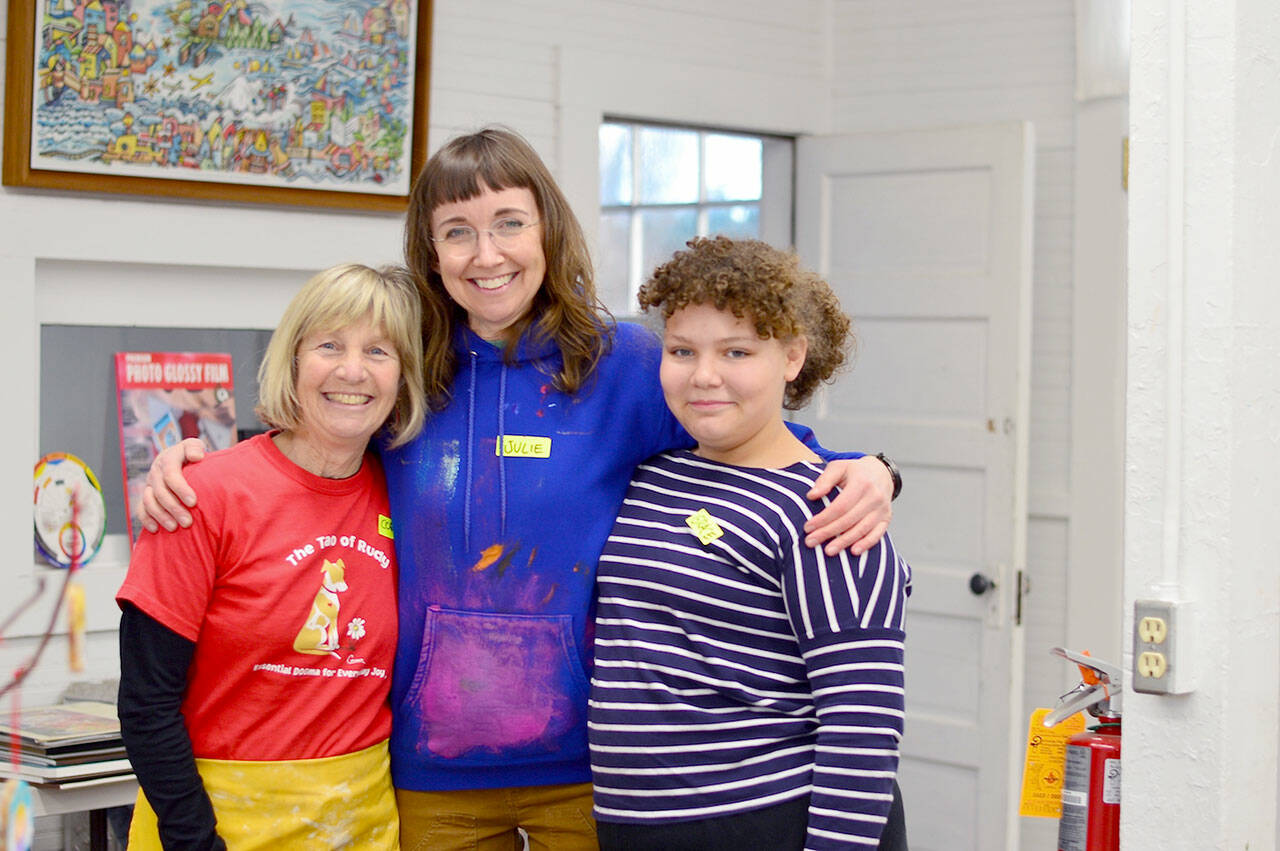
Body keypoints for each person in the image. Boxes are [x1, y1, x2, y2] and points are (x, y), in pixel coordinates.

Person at [139, 127, 898, 851]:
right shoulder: (409, 365)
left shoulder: (628, 364)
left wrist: (872, 470)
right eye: (458, 231)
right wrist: (193, 469)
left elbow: (746, 438)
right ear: (430, 251)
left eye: (509, 223)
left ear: (547, 233)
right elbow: (315, 449)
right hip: (432, 765)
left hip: (590, 766)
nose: (487, 253)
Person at [589, 236, 911, 850]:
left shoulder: (828, 512)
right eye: (682, 351)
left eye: (736, 351)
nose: (704, 375)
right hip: (637, 827)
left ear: (791, 357)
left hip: (768, 821)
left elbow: (863, 732)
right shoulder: (654, 475)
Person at [117, 263, 426, 850]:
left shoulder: (409, 494)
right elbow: (145, 703)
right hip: (212, 825)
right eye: (330, 345)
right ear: (293, 360)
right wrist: (195, 843)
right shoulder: (200, 495)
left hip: (362, 826)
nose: (353, 370)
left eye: (378, 351)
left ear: (402, 376)